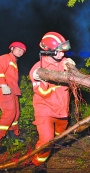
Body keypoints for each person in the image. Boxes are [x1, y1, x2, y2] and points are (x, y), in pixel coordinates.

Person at [29, 31, 76, 167]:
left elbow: (71, 74)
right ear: (49, 52)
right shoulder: (37, 70)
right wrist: (43, 79)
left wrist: (70, 65)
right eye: (60, 51)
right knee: (46, 139)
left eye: (64, 51)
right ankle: (38, 163)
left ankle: (58, 142)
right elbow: (43, 93)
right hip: (45, 109)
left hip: (62, 109)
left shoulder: (63, 62)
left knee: (61, 131)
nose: (63, 54)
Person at [0, 41, 26, 154]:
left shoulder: (14, 61)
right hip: (5, 90)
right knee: (9, 114)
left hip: (12, 91)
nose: (21, 52)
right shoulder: (5, 57)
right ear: (12, 48)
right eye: (19, 49)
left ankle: (13, 134)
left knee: (16, 113)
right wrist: (3, 85)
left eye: (23, 51)